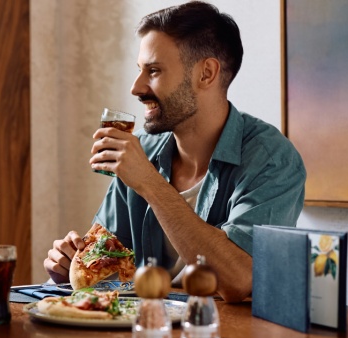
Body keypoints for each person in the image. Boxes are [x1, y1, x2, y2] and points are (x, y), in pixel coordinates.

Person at [44, 1, 305, 303]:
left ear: (206, 73)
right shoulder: (144, 150)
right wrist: (72, 267)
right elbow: (110, 264)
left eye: (153, 71)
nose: (136, 87)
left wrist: (150, 184)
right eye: (140, 70)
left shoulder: (272, 160)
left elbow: (239, 280)